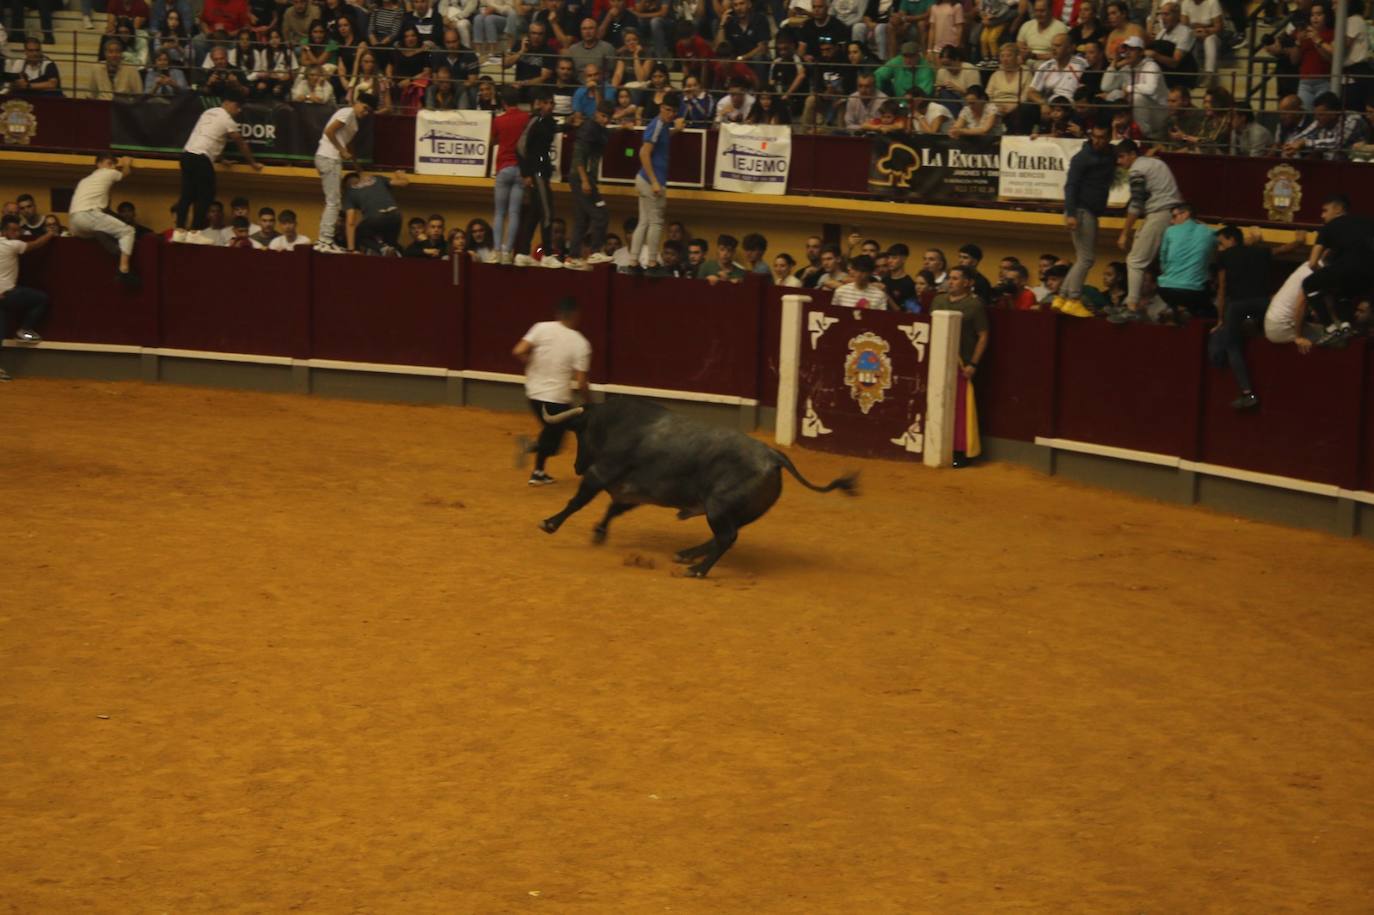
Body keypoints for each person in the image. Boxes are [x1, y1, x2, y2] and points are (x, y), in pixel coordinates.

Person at [1211, 225, 1307, 408]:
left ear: (1231, 240)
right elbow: (1282, 250)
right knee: (1268, 335)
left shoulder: (1224, 257)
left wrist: (1220, 318)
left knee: (1232, 345)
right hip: (1263, 302)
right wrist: (1299, 241)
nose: (1219, 248)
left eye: (1221, 243)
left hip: (1238, 305)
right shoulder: (1259, 252)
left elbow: (1222, 289)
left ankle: (1247, 392)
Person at [512, 296, 591, 486]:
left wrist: (533, 366)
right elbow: (581, 382)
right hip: (557, 399)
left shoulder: (541, 327)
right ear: (576, 315)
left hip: (533, 393)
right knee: (557, 441)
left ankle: (538, 472)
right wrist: (589, 402)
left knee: (551, 433)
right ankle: (531, 448)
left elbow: (518, 351)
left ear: (558, 313)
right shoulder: (580, 343)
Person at [172, 91, 261, 245]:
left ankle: (179, 231)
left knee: (187, 194)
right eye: (237, 107)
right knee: (206, 195)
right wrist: (252, 162)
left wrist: (221, 158)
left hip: (187, 155)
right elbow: (240, 142)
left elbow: (209, 138)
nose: (238, 111)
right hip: (201, 159)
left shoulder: (208, 112)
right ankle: (195, 232)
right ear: (229, 103)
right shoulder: (227, 119)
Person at [1111, 138, 1182, 322]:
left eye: (1122, 157)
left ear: (1133, 155)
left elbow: (1136, 203)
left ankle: (1131, 306)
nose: (1119, 162)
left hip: (1160, 213)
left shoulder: (1137, 169)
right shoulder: (1155, 162)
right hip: (1172, 214)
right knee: (1160, 263)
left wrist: (1124, 232)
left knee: (1135, 261)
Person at [928, 265, 987, 467]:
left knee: (961, 410)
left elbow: (983, 335)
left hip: (962, 364)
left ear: (968, 283)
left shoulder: (974, 305)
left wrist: (973, 363)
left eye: (955, 278)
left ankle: (960, 452)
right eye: (950, 278)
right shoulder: (938, 300)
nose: (950, 282)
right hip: (936, 361)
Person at [514, 88, 577, 267]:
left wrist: (571, 124)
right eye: (547, 103)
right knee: (548, 211)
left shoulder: (548, 122)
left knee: (534, 214)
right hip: (536, 172)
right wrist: (525, 173)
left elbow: (556, 128)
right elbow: (520, 147)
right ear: (540, 104)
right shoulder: (534, 120)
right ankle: (548, 254)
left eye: (552, 103)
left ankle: (522, 252)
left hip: (543, 171)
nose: (550, 106)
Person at [1303, 193, 1374, 347]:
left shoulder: (1329, 226)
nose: (1322, 216)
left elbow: (1312, 262)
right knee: (1343, 293)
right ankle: (1346, 326)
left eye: (1325, 210)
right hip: (1369, 274)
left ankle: (1330, 328)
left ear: (1338, 209)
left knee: (1309, 284)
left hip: (1345, 268)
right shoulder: (1368, 222)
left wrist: (1322, 275)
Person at [1062, 123, 1116, 312]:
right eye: (1095, 137)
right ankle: (1073, 299)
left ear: (1109, 137)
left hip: (1088, 211)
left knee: (1081, 258)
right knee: (1087, 259)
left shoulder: (1111, 154)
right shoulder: (1082, 158)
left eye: (1102, 137)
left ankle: (1062, 297)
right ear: (1091, 135)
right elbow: (1070, 186)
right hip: (1081, 211)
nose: (1098, 141)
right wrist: (1070, 213)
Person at [628, 91, 684, 271]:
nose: (671, 114)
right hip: (651, 181)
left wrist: (677, 130)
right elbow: (643, 153)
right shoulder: (658, 125)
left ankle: (633, 261)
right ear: (661, 108)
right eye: (668, 110)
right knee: (656, 223)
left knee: (644, 222)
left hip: (644, 179)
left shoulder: (663, 125)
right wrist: (654, 182)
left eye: (674, 111)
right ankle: (652, 262)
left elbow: (662, 141)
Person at [314, 92, 375, 253]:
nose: (365, 112)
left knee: (335, 201)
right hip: (329, 157)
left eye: (369, 111)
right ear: (357, 102)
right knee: (333, 202)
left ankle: (326, 239)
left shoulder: (354, 122)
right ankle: (324, 241)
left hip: (330, 158)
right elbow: (329, 131)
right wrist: (341, 150)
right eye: (365, 107)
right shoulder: (348, 113)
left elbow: (350, 147)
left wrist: (358, 170)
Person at [0, 214, 57, 381]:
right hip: (9, 293)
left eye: (18, 230)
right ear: (4, 231)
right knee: (41, 298)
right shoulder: (12, 245)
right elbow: (35, 244)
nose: (17, 233)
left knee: (0, 332)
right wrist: (50, 233)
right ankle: (24, 330)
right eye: (13, 230)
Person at [68, 153, 138, 283]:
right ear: (98, 164)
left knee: (102, 230)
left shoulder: (85, 181)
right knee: (128, 231)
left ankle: (118, 251)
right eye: (109, 163)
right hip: (87, 214)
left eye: (113, 164)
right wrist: (127, 163)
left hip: (74, 224)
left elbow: (105, 210)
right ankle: (124, 270)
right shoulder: (107, 172)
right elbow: (125, 174)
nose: (112, 166)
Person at [568, 99, 614, 267]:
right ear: (596, 113)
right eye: (603, 116)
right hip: (582, 178)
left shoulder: (599, 129)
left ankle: (573, 257)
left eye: (609, 117)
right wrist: (585, 181)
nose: (606, 120)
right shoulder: (588, 129)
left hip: (583, 178)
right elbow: (579, 156)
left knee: (582, 220)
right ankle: (595, 252)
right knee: (601, 215)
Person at [490, 85, 530, 264]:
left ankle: (497, 250)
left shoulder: (499, 120)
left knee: (499, 212)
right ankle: (508, 252)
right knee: (514, 213)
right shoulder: (526, 118)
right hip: (521, 169)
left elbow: (492, 141)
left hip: (504, 167)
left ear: (503, 102)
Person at [343, 169, 410, 254]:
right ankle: (390, 250)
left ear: (347, 185)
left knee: (359, 234)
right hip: (395, 215)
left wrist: (351, 249)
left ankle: (382, 248)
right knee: (390, 245)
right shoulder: (377, 178)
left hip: (376, 217)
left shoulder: (350, 192)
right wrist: (400, 174)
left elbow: (350, 222)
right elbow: (404, 182)